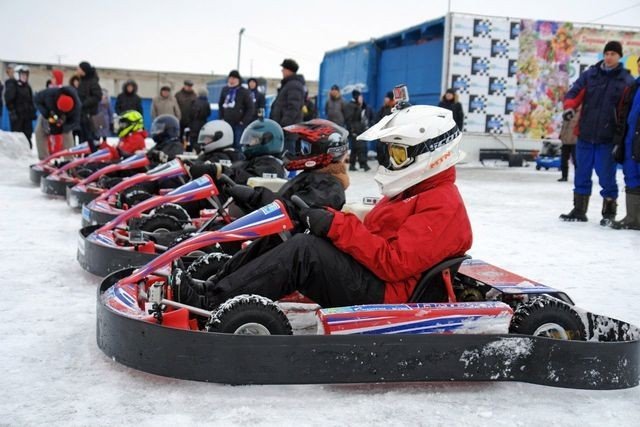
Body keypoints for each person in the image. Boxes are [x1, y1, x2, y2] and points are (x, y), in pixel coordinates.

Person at [173, 104, 472, 310]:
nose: (391, 161)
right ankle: (213, 288)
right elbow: (376, 235)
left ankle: (211, 304)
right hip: (377, 279)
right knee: (294, 235)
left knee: (305, 251)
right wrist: (334, 222)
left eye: (398, 152)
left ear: (432, 153)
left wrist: (336, 225)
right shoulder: (415, 190)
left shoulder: (442, 205)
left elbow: (393, 262)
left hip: (389, 295)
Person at [560, 41, 636, 225]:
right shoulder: (590, 75)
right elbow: (574, 92)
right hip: (585, 134)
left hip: (607, 138)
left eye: (613, 54)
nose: (609, 57)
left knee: (606, 175)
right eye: (607, 53)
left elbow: (627, 111)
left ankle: (609, 212)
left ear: (620, 56)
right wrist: (570, 107)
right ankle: (579, 210)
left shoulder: (626, 81)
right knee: (582, 173)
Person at [190, 118, 286, 186]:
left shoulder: (271, 165)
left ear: (267, 141)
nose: (248, 143)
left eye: (253, 140)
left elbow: (249, 180)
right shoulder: (251, 160)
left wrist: (221, 170)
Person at [611, 58, 640, 230]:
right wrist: (619, 140)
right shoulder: (634, 87)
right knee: (631, 174)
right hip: (630, 138)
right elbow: (624, 115)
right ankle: (633, 219)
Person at [33, 85, 81, 159]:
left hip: (66, 118)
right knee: (39, 132)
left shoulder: (77, 107)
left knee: (67, 134)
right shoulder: (50, 93)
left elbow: (75, 122)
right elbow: (36, 99)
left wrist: (63, 128)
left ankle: (69, 159)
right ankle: (43, 159)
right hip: (49, 113)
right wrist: (45, 112)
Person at [269, 58, 305, 153]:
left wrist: (284, 126)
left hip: (288, 131)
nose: (282, 71)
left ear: (289, 70)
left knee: (287, 157)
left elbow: (293, 108)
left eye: (283, 69)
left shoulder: (294, 85)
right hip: (283, 129)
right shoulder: (288, 84)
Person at [218, 70, 254, 149]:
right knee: (226, 144)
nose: (232, 80)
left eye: (234, 78)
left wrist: (243, 121)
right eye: (230, 78)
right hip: (226, 122)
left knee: (238, 144)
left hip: (239, 123)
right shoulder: (225, 90)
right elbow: (220, 104)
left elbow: (250, 107)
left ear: (238, 80)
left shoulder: (244, 91)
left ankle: (238, 160)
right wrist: (221, 117)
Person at [4, 65, 36, 148]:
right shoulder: (12, 85)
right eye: (22, 75)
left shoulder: (27, 87)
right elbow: (9, 99)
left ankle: (28, 150)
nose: (24, 77)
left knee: (28, 135)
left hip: (27, 116)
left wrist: (32, 111)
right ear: (17, 75)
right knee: (17, 135)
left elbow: (31, 101)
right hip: (17, 116)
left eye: (26, 75)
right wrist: (12, 111)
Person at [76, 61, 103, 151]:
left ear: (83, 70)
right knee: (82, 140)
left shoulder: (92, 82)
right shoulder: (82, 81)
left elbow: (97, 96)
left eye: (78, 68)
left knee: (90, 139)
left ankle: (92, 157)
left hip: (89, 116)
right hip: (81, 115)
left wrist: (84, 104)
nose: (77, 70)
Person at [344, 90, 372, 171]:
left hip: (359, 129)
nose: (361, 98)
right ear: (356, 97)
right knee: (360, 147)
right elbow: (349, 120)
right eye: (360, 97)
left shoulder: (357, 105)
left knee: (355, 148)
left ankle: (352, 165)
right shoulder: (351, 106)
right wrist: (352, 131)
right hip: (355, 130)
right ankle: (363, 164)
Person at [558, 107, 580, 182]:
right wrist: (561, 135)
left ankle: (578, 177)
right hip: (565, 141)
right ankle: (564, 176)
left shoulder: (580, 113)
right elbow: (564, 126)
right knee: (563, 159)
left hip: (575, 141)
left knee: (576, 160)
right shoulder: (567, 112)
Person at [375, 91, 395, 166]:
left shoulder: (396, 109)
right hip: (382, 134)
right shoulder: (383, 109)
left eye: (388, 100)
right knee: (380, 149)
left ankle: (389, 165)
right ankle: (383, 165)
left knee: (389, 151)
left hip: (392, 135)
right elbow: (377, 120)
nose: (385, 101)